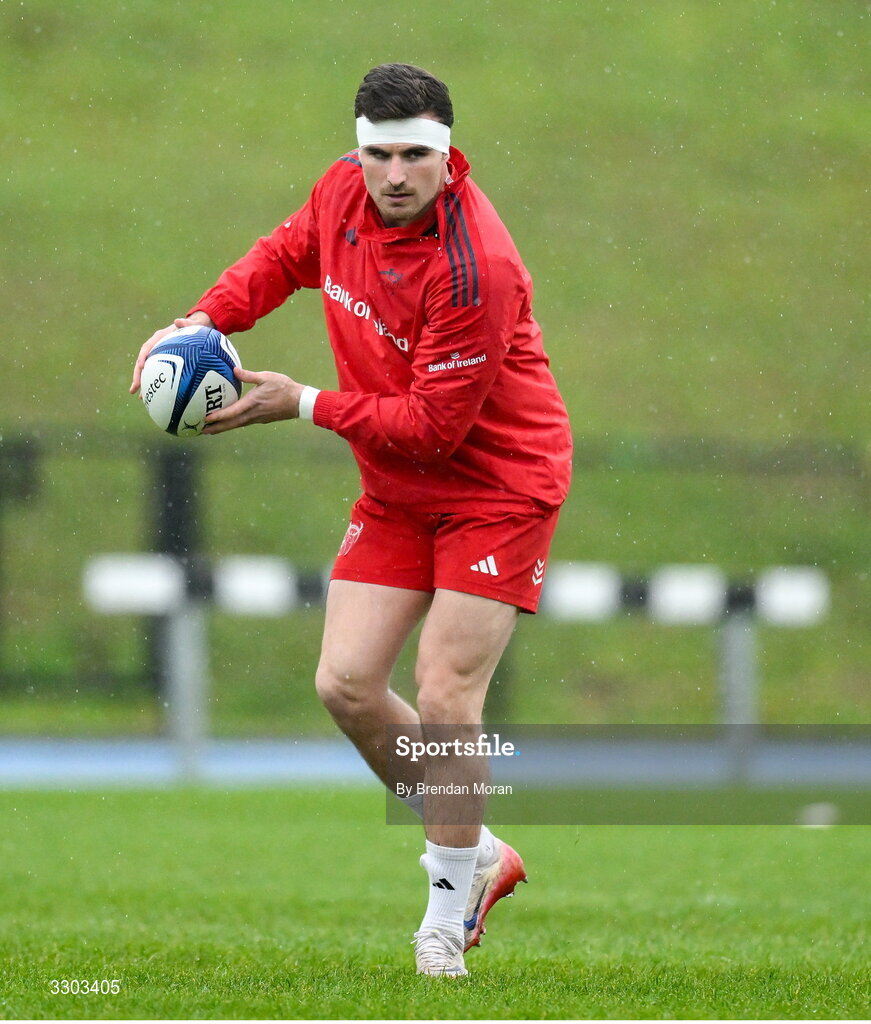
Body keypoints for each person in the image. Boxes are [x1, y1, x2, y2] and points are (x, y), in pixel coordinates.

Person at [131, 63, 572, 977]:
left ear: (450, 157)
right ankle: (479, 852)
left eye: (417, 154)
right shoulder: (341, 190)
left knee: (446, 696)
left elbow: (431, 427)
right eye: (380, 153)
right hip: (397, 485)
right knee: (346, 685)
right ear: (358, 148)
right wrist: (198, 319)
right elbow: (283, 256)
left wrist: (300, 404)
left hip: (497, 485)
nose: (396, 173)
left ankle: (446, 912)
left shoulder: (475, 266)